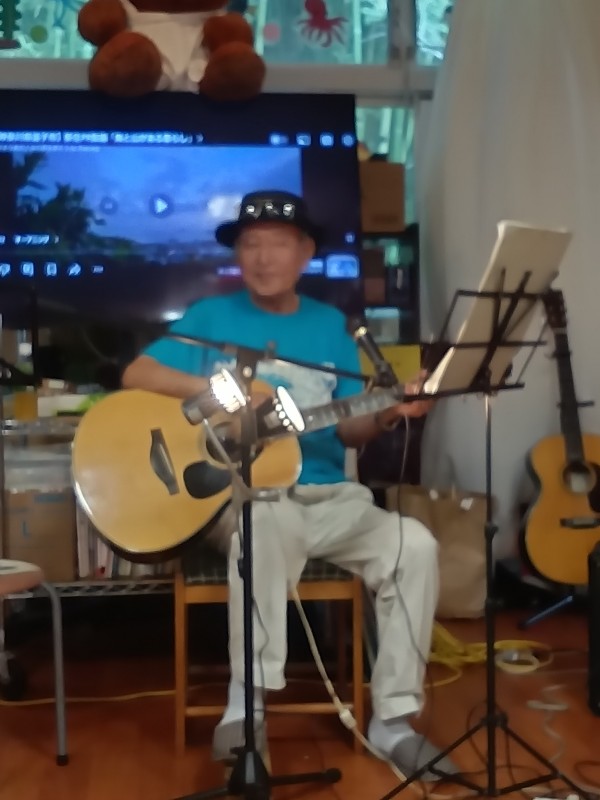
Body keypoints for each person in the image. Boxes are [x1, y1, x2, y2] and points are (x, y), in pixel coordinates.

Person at [122, 190, 456, 780]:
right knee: (266, 520)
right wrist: (223, 393)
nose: (263, 257)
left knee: (416, 546)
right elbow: (136, 373)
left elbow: (350, 430)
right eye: (251, 244)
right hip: (241, 496)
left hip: (331, 499)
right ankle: (245, 711)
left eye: (277, 244)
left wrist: (387, 413)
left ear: (304, 253)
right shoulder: (210, 317)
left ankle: (394, 720)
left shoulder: (332, 327)